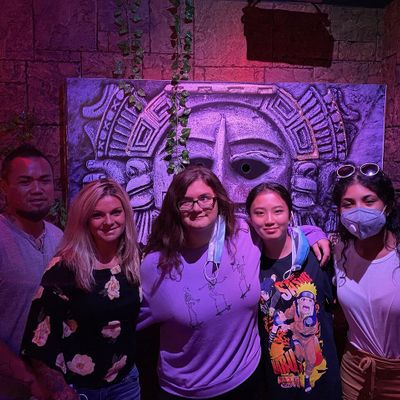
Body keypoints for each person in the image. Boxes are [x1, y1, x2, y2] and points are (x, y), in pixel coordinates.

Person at [138, 165, 330, 400]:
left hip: (247, 382)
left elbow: (279, 228)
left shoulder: (243, 234)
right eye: (185, 201)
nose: (197, 207)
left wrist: (313, 233)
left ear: (218, 200)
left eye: (205, 198)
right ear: (175, 207)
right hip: (185, 390)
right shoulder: (156, 264)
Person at [21, 178, 142, 399]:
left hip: (126, 383)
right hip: (80, 389)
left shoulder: (133, 259)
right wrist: (62, 392)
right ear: (85, 220)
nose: (109, 221)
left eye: (116, 212)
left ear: (126, 214)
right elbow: (38, 340)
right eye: (98, 215)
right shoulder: (65, 268)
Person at [245, 182, 341, 399]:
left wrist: (314, 233)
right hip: (275, 384)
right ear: (250, 219)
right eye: (259, 213)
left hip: (324, 384)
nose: (269, 220)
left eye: (278, 211)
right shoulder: (248, 265)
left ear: (290, 215)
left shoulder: (318, 256)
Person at [0, 144, 64, 399]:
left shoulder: (59, 237)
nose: (37, 189)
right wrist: (29, 380)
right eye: (25, 182)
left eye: (44, 181)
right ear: (4, 187)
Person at [332, 163, 400, 400]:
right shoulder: (339, 251)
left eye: (369, 201)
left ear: (387, 206)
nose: (358, 211)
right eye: (348, 204)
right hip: (354, 370)